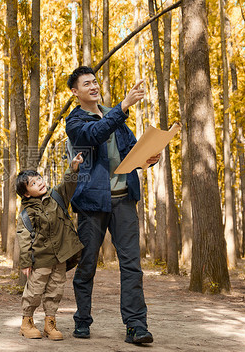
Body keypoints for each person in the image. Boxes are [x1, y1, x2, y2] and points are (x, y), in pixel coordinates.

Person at [65, 66, 160, 344]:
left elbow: (131, 148)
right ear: (76, 92)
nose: (93, 86)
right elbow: (94, 134)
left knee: (131, 264)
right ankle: (82, 320)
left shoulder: (113, 115)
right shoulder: (75, 121)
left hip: (124, 200)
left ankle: (136, 326)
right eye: (87, 84)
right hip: (92, 203)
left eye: (95, 81)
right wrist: (123, 106)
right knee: (87, 264)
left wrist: (148, 157)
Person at [16, 152, 85, 341]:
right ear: (26, 193)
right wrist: (25, 263)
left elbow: (68, 183)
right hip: (41, 259)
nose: (39, 182)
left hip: (60, 257)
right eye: (33, 183)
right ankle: (27, 322)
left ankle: (50, 323)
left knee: (55, 290)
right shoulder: (27, 213)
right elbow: (23, 239)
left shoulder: (56, 197)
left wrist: (73, 168)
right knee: (34, 291)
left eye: (38, 178)